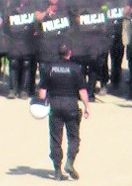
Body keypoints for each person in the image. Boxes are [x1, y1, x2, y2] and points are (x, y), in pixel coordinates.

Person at [38, 44, 91, 181]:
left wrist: (39, 107)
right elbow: (82, 90)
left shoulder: (49, 68)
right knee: (73, 137)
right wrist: (87, 107)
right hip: (71, 106)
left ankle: (57, 170)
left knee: (56, 139)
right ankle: (70, 162)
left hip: (55, 106)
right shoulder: (76, 69)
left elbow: (42, 93)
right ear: (70, 53)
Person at [69, 0, 108, 101]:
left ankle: (90, 93)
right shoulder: (77, 1)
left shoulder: (100, 1)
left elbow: (105, 18)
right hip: (81, 39)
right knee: (80, 67)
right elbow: (76, 19)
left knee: (94, 66)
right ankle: (80, 92)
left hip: (96, 39)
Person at [4, 0, 39, 99]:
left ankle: (24, 89)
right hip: (14, 39)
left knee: (26, 63)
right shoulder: (11, 4)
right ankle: (13, 89)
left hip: (28, 40)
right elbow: (6, 21)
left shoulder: (35, 4)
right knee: (14, 62)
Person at [35, 0, 72, 85]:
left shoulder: (64, 8)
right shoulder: (41, 6)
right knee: (45, 69)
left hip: (59, 45)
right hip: (45, 46)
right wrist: (46, 13)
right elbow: (37, 18)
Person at [99, 0, 125, 93]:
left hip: (117, 33)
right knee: (102, 60)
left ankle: (116, 82)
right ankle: (103, 82)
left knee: (117, 59)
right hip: (103, 35)